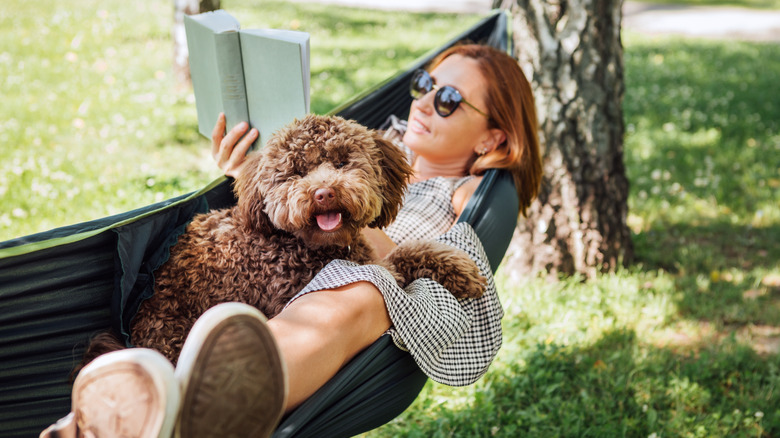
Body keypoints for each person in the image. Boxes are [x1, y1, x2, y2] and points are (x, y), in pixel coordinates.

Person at [42, 43, 542, 438]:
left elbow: (460, 263)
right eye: (425, 84)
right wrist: (248, 172)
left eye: (449, 100)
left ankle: (181, 406)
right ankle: (123, 416)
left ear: (491, 140)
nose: (426, 102)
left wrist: (352, 218)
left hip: (368, 288)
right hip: (266, 281)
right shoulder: (364, 138)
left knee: (360, 290)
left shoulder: (469, 191)